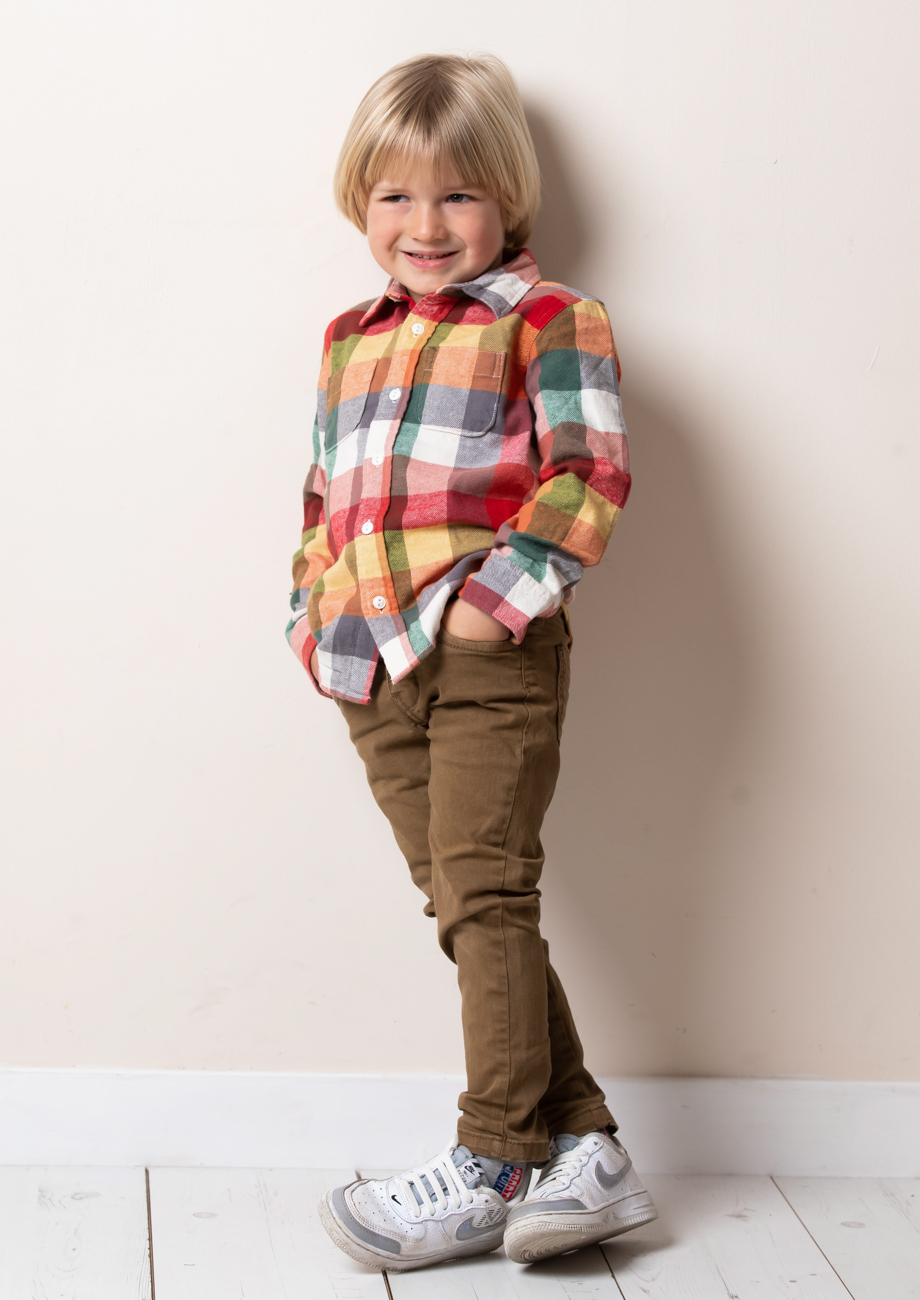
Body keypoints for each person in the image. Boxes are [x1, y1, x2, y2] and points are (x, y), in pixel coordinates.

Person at [288, 52, 657, 1272]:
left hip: (486, 653)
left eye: (457, 194)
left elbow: (587, 473)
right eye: (394, 195)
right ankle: (584, 1143)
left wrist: (490, 609)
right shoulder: (348, 340)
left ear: (506, 196)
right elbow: (322, 495)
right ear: (360, 202)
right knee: (461, 902)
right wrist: (311, 616)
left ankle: (493, 1158)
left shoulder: (549, 320)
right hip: (368, 662)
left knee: (489, 892)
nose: (426, 224)